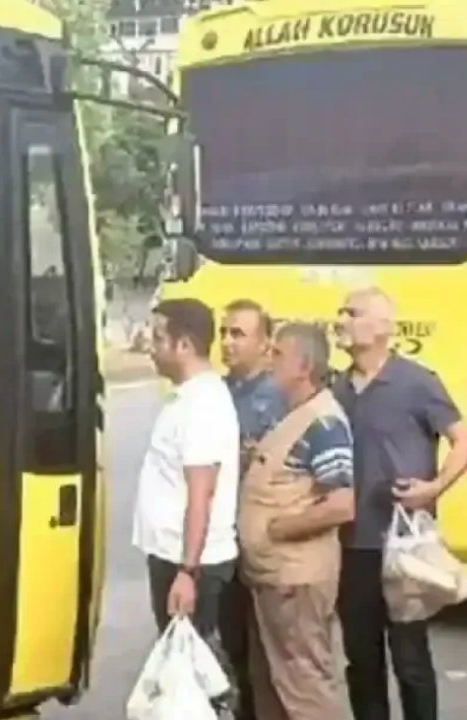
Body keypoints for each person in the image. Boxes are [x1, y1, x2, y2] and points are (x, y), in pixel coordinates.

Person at [330, 286, 467, 720]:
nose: (340, 320)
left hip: (403, 548)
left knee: (410, 659)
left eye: (352, 313)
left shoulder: (416, 381)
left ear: (383, 327)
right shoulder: (335, 387)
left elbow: (465, 443)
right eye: (341, 312)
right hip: (351, 546)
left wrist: (433, 489)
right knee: (362, 660)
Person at [239, 322, 355, 720]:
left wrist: (277, 530)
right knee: (274, 684)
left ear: (303, 366)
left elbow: (341, 504)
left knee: (306, 688)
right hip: (274, 580)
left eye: (278, 355)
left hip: (296, 583)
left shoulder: (323, 423)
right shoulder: (293, 416)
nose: (270, 362)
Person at [133, 298, 240, 641]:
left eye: (159, 338)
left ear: (184, 345)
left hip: (191, 563)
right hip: (174, 556)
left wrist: (187, 572)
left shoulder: (203, 405)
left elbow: (202, 492)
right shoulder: (187, 397)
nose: (151, 347)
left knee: (188, 674)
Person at [220, 298, 288, 720]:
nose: (227, 342)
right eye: (224, 332)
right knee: (232, 647)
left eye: (238, 333)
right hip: (223, 538)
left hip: (261, 540)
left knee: (266, 655)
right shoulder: (217, 391)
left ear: (266, 345)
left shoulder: (276, 399)